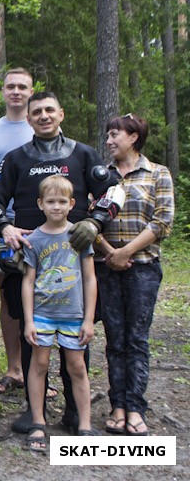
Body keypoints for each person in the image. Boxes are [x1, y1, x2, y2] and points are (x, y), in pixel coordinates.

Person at [0, 91, 124, 434]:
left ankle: (76, 413)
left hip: (76, 258)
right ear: (29, 119)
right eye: (37, 112)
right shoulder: (16, 158)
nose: (44, 116)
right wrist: (5, 228)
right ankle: (35, 413)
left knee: (77, 339)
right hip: (31, 257)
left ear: (61, 114)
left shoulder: (83, 154)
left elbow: (116, 190)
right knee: (32, 336)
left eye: (50, 110)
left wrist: (95, 223)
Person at [95, 114, 173, 436]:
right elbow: (88, 218)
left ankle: (136, 408)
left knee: (136, 340)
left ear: (133, 137)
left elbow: (162, 222)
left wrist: (126, 252)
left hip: (143, 268)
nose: (110, 140)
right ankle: (117, 406)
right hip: (107, 267)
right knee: (115, 339)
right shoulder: (101, 175)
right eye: (109, 135)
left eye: (115, 134)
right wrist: (109, 252)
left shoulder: (157, 173)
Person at [22, 176, 98, 452]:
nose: (56, 207)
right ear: (41, 204)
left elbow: (90, 279)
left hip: (73, 315)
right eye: (51, 202)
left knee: (77, 367)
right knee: (39, 365)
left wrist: (89, 319)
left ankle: (85, 425)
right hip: (42, 314)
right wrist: (29, 320)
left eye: (62, 202)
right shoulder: (35, 239)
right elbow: (28, 281)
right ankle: (38, 422)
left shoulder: (78, 236)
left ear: (72, 204)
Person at [0, 69, 34, 395]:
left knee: (42, 298)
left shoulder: (42, 127)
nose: (16, 91)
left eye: (22, 87)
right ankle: (14, 368)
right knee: (9, 297)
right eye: (10, 86)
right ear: (2, 91)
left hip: (38, 224)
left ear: (31, 91)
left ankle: (37, 371)